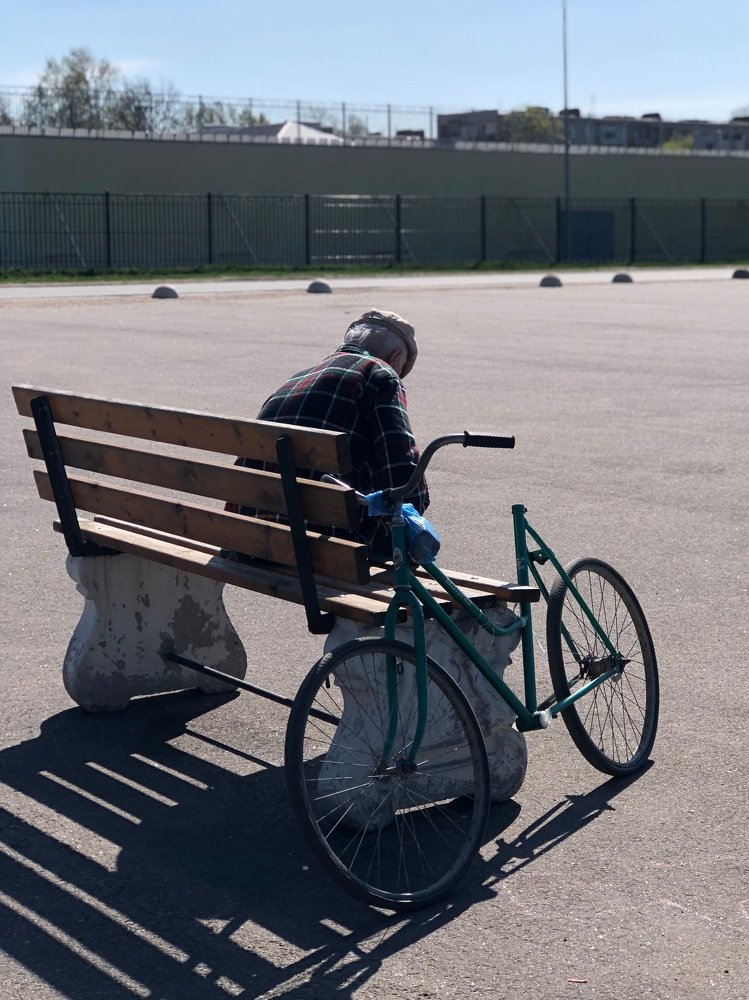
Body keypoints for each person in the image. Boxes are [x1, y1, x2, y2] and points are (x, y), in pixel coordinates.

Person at [227, 309, 428, 558]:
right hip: (324, 549)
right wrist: (415, 520)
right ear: (394, 357)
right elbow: (400, 466)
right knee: (406, 535)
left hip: (250, 539)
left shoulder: (297, 379)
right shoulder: (379, 374)